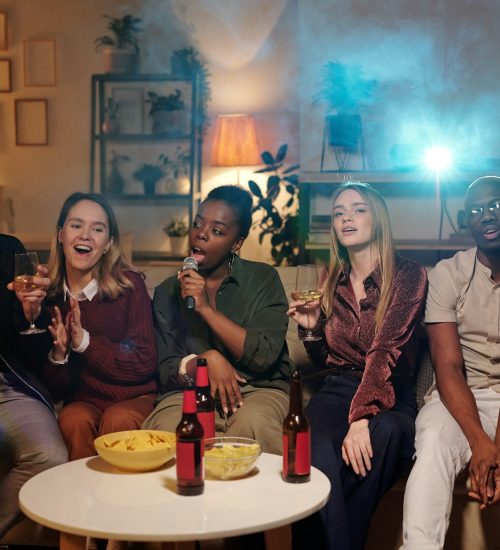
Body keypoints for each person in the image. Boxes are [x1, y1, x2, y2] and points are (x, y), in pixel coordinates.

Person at [288, 182, 427, 550]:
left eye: (358, 208)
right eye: (338, 212)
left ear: (377, 219)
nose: (346, 216)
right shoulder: (328, 280)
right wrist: (311, 330)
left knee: (387, 435)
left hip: (393, 394)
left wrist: (360, 418)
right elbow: (327, 358)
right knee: (311, 447)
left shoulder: (409, 275)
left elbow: (386, 350)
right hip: (337, 389)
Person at [143, 185, 290, 454]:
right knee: (168, 430)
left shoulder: (263, 279)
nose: (201, 233)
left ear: (236, 243)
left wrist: (207, 310)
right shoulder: (167, 291)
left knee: (253, 425)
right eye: (198, 224)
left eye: (217, 231)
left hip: (257, 390)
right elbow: (165, 369)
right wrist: (204, 362)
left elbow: (265, 355)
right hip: (185, 396)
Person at [401, 175, 500, 550]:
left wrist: (497, 449)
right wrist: (480, 443)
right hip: (460, 394)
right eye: (477, 211)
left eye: (496, 206)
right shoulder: (447, 274)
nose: (487, 216)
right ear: (466, 220)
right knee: (435, 438)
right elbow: (448, 368)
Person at [41, 192, 157, 460]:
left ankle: (121, 500)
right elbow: (57, 390)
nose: (85, 235)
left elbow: (143, 363)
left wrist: (84, 342)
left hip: (135, 397)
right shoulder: (51, 299)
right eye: (76, 225)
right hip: (84, 401)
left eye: (97, 229)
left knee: (118, 420)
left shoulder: (129, 287)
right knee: (73, 419)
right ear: (61, 235)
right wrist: (60, 355)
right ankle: (80, 500)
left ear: (108, 244)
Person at [0, 234, 67, 538]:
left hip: (7, 380)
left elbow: (31, 353)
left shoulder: (8, 249)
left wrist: (32, 314)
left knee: (48, 455)